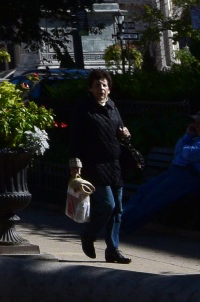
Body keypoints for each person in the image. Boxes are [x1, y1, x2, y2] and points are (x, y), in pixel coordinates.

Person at [121, 109, 200, 236]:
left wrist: (186, 148)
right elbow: (178, 151)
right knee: (143, 190)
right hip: (176, 171)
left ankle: (124, 226)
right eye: (195, 123)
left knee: (154, 198)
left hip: (191, 176)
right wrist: (188, 136)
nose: (196, 126)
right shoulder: (195, 138)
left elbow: (189, 154)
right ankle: (119, 219)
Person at [65, 66, 132, 263]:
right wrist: (75, 165)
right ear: (90, 88)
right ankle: (89, 234)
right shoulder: (83, 109)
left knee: (118, 209)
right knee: (107, 205)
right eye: (96, 85)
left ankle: (113, 249)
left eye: (104, 85)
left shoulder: (112, 107)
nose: (101, 89)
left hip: (114, 164)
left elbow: (119, 130)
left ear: (109, 88)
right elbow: (75, 138)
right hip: (94, 165)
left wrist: (125, 134)